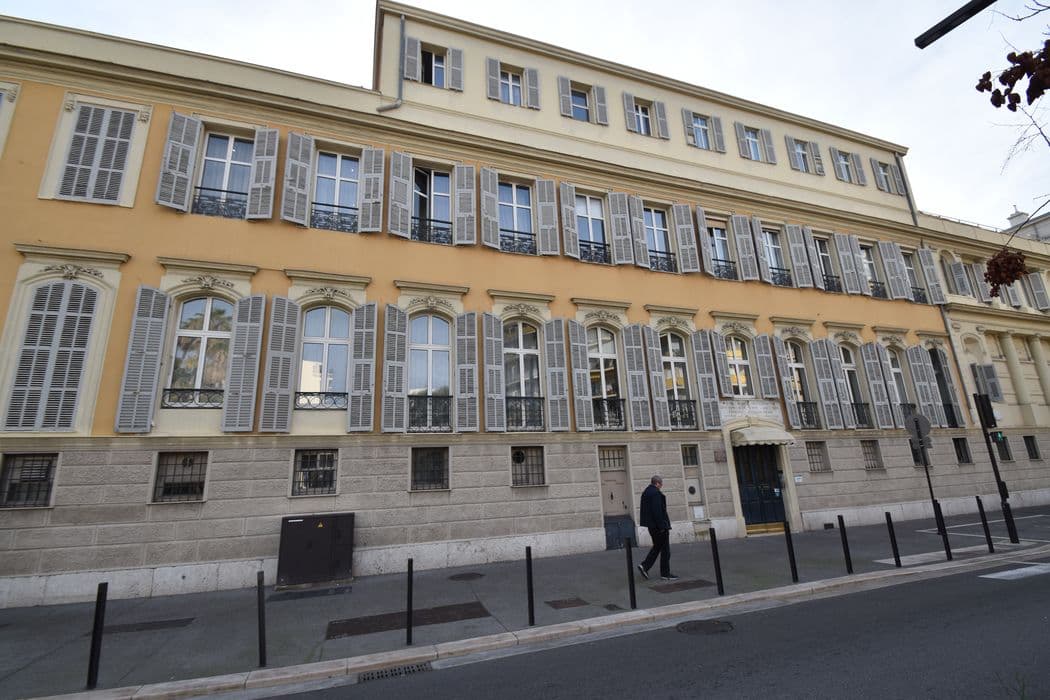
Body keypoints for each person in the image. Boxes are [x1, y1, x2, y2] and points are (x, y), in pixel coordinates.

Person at [637, 474, 678, 581]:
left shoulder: (646, 492)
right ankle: (665, 573)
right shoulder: (655, 493)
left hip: (651, 526)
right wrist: (662, 526)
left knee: (657, 547)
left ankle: (645, 566)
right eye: (661, 484)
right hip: (659, 527)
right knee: (665, 550)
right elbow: (657, 511)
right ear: (657, 483)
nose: (661, 486)